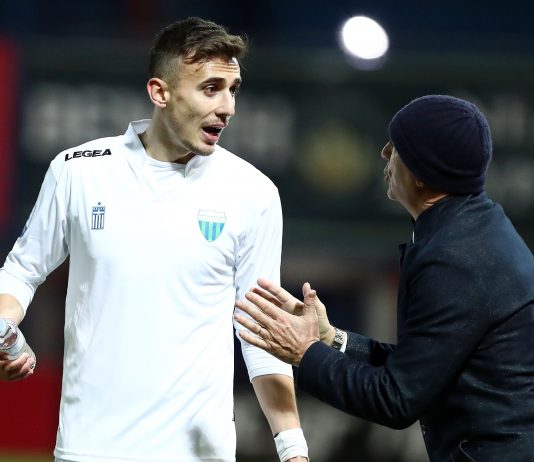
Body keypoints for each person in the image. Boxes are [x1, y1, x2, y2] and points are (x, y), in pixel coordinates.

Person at [0, 17, 309, 462]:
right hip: (90, 449)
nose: (228, 107)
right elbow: (22, 270)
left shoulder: (254, 193)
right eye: (210, 88)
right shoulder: (78, 171)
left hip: (199, 454)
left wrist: (292, 446)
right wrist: (5, 326)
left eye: (233, 89)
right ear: (160, 92)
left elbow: (262, 334)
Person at [235, 95, 534, 461]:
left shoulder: (456, 258)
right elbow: (425, 362)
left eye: (398, 146)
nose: (384, 152)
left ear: (423, 172)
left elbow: (396, 399)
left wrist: (304, 352)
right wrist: (331, 339)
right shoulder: (474, 229)